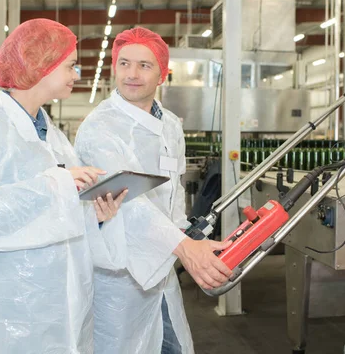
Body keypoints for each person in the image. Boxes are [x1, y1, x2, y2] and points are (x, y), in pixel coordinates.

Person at [0, 18, 126, 354]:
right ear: (40, 65)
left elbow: (54, 217)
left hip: (58, 308)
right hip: (6, 313)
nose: (75, 75)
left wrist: (97, 215)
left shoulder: (52, 135)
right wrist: (52, 185)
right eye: (70, 66)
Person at [75, 27, 232, 354]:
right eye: (124, 63)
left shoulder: (171, 124)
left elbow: (172, 190)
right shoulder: (98, 128)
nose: (131, 74)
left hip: (163, 264)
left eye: (144, 65)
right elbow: (129, 201)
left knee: (170, 342)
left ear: (162, 74)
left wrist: (189, 236)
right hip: (120, 274)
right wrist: (186, 248)